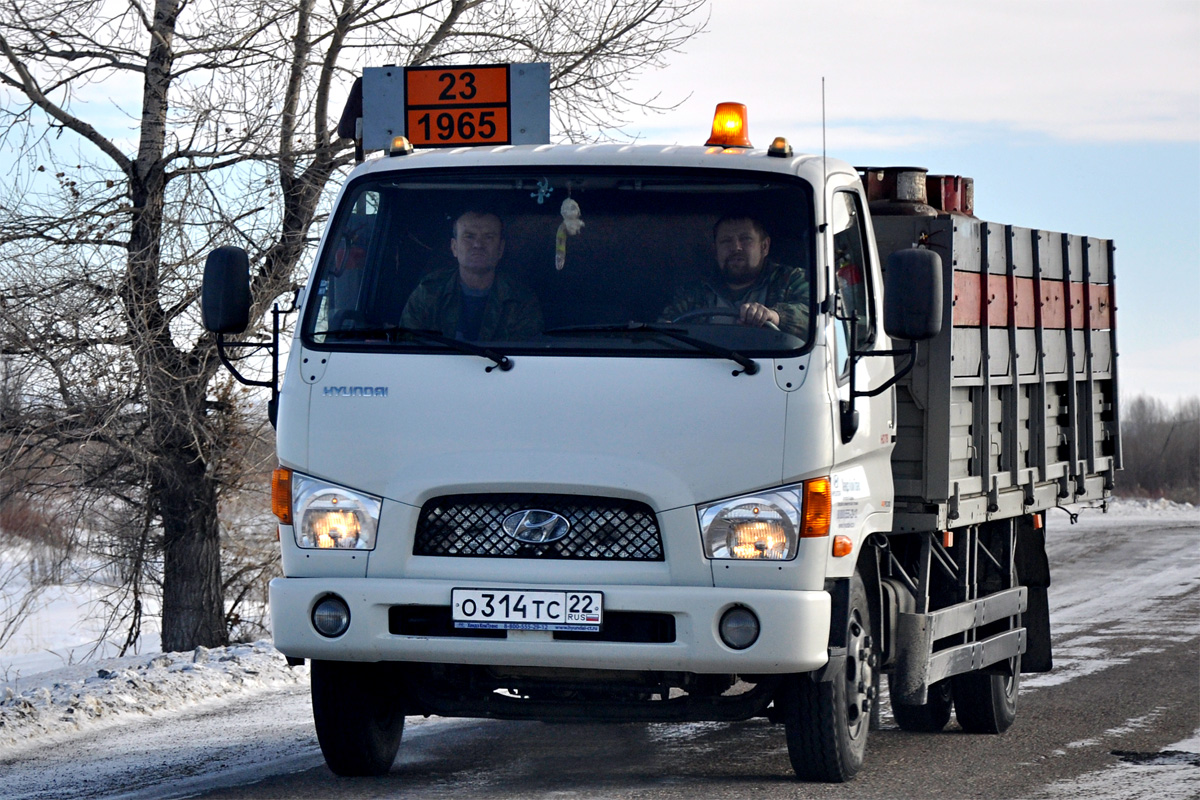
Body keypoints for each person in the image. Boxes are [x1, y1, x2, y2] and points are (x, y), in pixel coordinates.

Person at [401, 211, 543, 341]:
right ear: (454, 247)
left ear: (500, 249)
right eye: (469, 236)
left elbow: (528, 359)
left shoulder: (521, 300)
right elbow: (406, 350)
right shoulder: (428, 292)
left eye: (488, 237)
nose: (477, 245)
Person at [660, 215, 809, 336]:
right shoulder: (693, 292)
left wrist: (775, 316)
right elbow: (665, 327)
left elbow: (815, 316)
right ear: (716, 250)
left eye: (745, 239)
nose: (736, 247)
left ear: (764, 247)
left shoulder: (792, 279)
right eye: (726, 241)